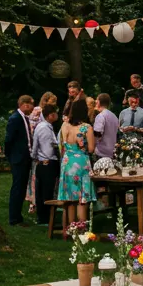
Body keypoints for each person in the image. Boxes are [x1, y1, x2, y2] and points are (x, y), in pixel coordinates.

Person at [57, 96, 96, 224]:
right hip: (81, 162)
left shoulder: (65, 125)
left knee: (69, 197)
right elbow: (91, 149)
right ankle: (81, 228)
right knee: (81, 197)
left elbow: (61, 145)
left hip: (67, 162)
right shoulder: (87, 128)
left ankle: (70, 228)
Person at [5, 94, 35, 226]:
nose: (33, 108)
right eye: (32, 104)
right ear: (25, 105)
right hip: (18, 158)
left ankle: (18, 216)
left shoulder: (24, 118)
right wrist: (11, 156)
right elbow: (9, 139)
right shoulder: (15, 118)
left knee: (22, 187)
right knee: (17, 187)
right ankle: (14, 218)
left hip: (25, 157)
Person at [31, 102, 60, 224]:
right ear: (50, 115)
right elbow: (48, 148)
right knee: (46, 191)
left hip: (42, 162)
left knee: (42, 191)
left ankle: (43, 216)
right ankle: (45, 217)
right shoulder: (45, 128)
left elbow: (35, 146)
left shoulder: (43, 126)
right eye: (55, 114)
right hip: (47, 162)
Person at [93, 93, 119, 158]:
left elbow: (97, 134)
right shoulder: (114, 116)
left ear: (98, 102)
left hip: (100, 152)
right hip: (112, 152)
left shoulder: (100, 116)